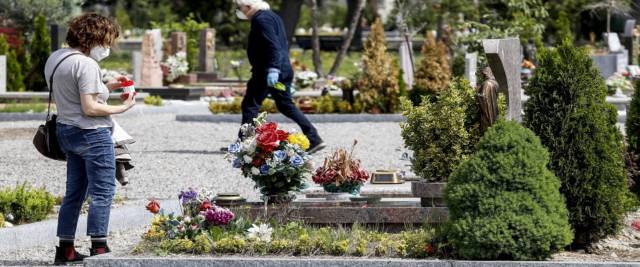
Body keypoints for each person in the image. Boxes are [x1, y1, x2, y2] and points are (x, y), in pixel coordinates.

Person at [45, 13, 136, 264]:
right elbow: (90, 107)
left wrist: (107, 85)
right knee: (103, 190)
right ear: (94, 38)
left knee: (74, 193)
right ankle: (99, 248)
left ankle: (65, 249)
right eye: (106, 41)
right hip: (92, 133)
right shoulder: (86, 64)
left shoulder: (56, 58)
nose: (108, 46)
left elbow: (72, 92)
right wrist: (123, 108)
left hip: (66, 131)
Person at [235, 0, 325, 154]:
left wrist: (274, 69)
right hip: (280, 68)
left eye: (241, 8)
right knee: (285, 105)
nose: (240, 11)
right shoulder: (272, 16)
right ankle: (314, 138)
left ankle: (245, 144)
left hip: (268, 69)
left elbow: (273, 45)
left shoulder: (261, 19)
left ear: (249, 7)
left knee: (250, 104)